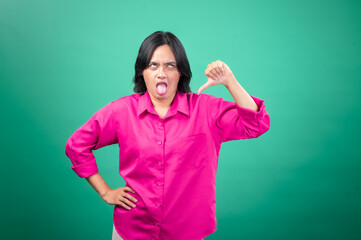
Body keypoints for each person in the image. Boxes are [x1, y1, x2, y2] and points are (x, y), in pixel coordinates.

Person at [65, 31, 270, 240]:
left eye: (170, 65)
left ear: (181, 72)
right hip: (131, 231)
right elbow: (76, 146)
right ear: (142, 72)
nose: (161, 73)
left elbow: (257, 124)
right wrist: (105, 192)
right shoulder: (121, 111)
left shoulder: (205, 109)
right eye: (153, 65)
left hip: (186, 232)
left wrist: (230, 81)